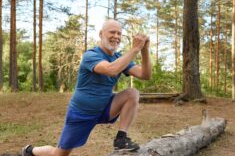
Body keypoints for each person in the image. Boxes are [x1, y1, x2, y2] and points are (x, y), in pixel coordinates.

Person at [22, 19, 152, 156]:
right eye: (112, 32)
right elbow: (111, 69)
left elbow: (145, 74)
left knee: (132, 93)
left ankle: (121, 139)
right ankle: (30, 151)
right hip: (81, 113)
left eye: (119, 33)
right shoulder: (91, 55)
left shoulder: (120, 58)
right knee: (59, 154)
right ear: (101, 34)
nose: (116, 36)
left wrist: (144, 50)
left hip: (104, 108)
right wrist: (135, 49)